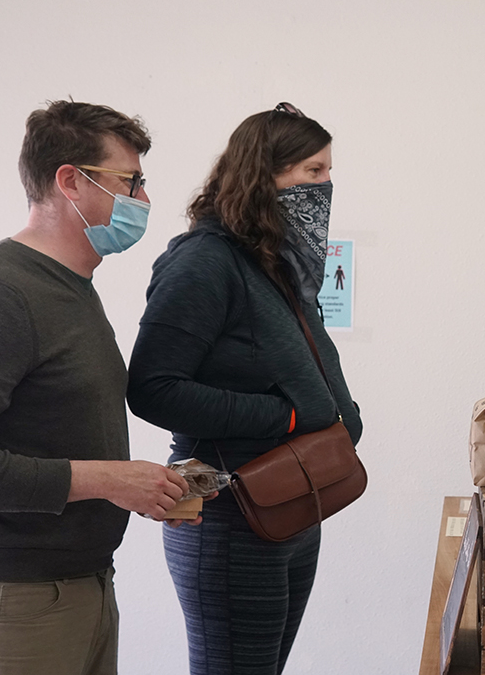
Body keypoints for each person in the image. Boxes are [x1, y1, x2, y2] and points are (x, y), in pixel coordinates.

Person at [127, 102, 363, 675]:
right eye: (312, 172)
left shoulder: (275, 261)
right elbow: (153, 388)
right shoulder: (204, 261)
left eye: (328, 172)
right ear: (266, 174)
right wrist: (282, 418)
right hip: (227, 518)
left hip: (293, 502)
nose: (326, 186)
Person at [0, 100, 190, 675]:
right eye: (130, 182)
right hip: (23, 601)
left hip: (86, 586)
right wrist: (108, 479)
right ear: (70, 182)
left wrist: (141, 486)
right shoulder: (10, 293)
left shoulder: (74, 287)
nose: (144, 201)